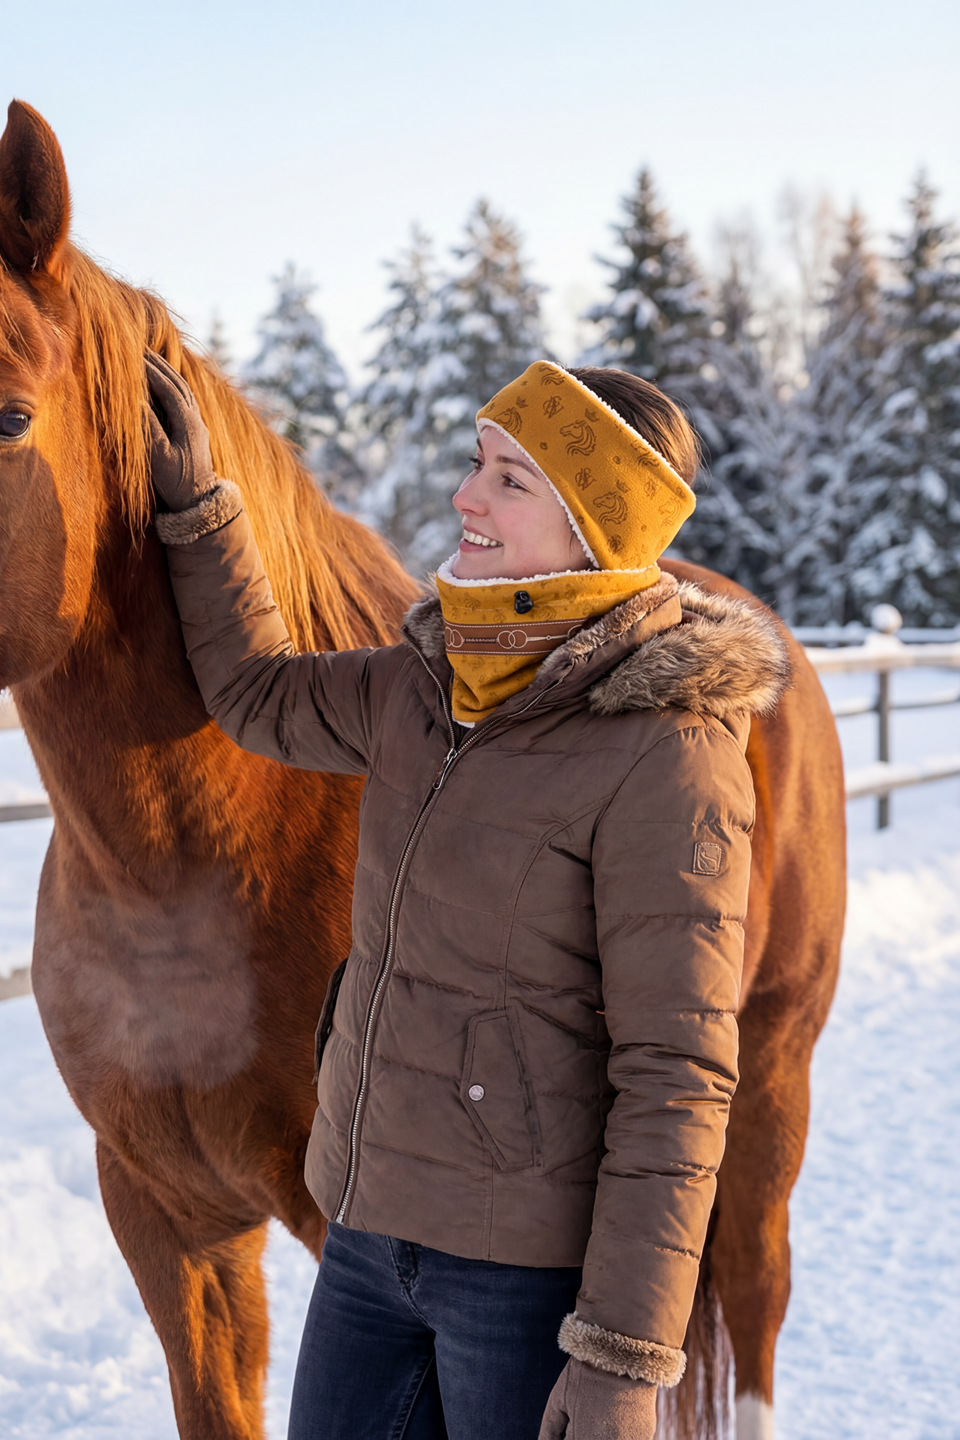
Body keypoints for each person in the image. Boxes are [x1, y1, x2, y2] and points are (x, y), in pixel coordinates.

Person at [145, 354, 790, 1440]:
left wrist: (626, 1358)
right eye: (477, 463)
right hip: (361, 1238)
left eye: (511, 480)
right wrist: (206, 511)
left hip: (522, 1279)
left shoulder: (667, 752)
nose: (466, 496)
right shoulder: (423, 684)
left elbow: (676, 1076)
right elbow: (256, 694)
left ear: (595, 529)